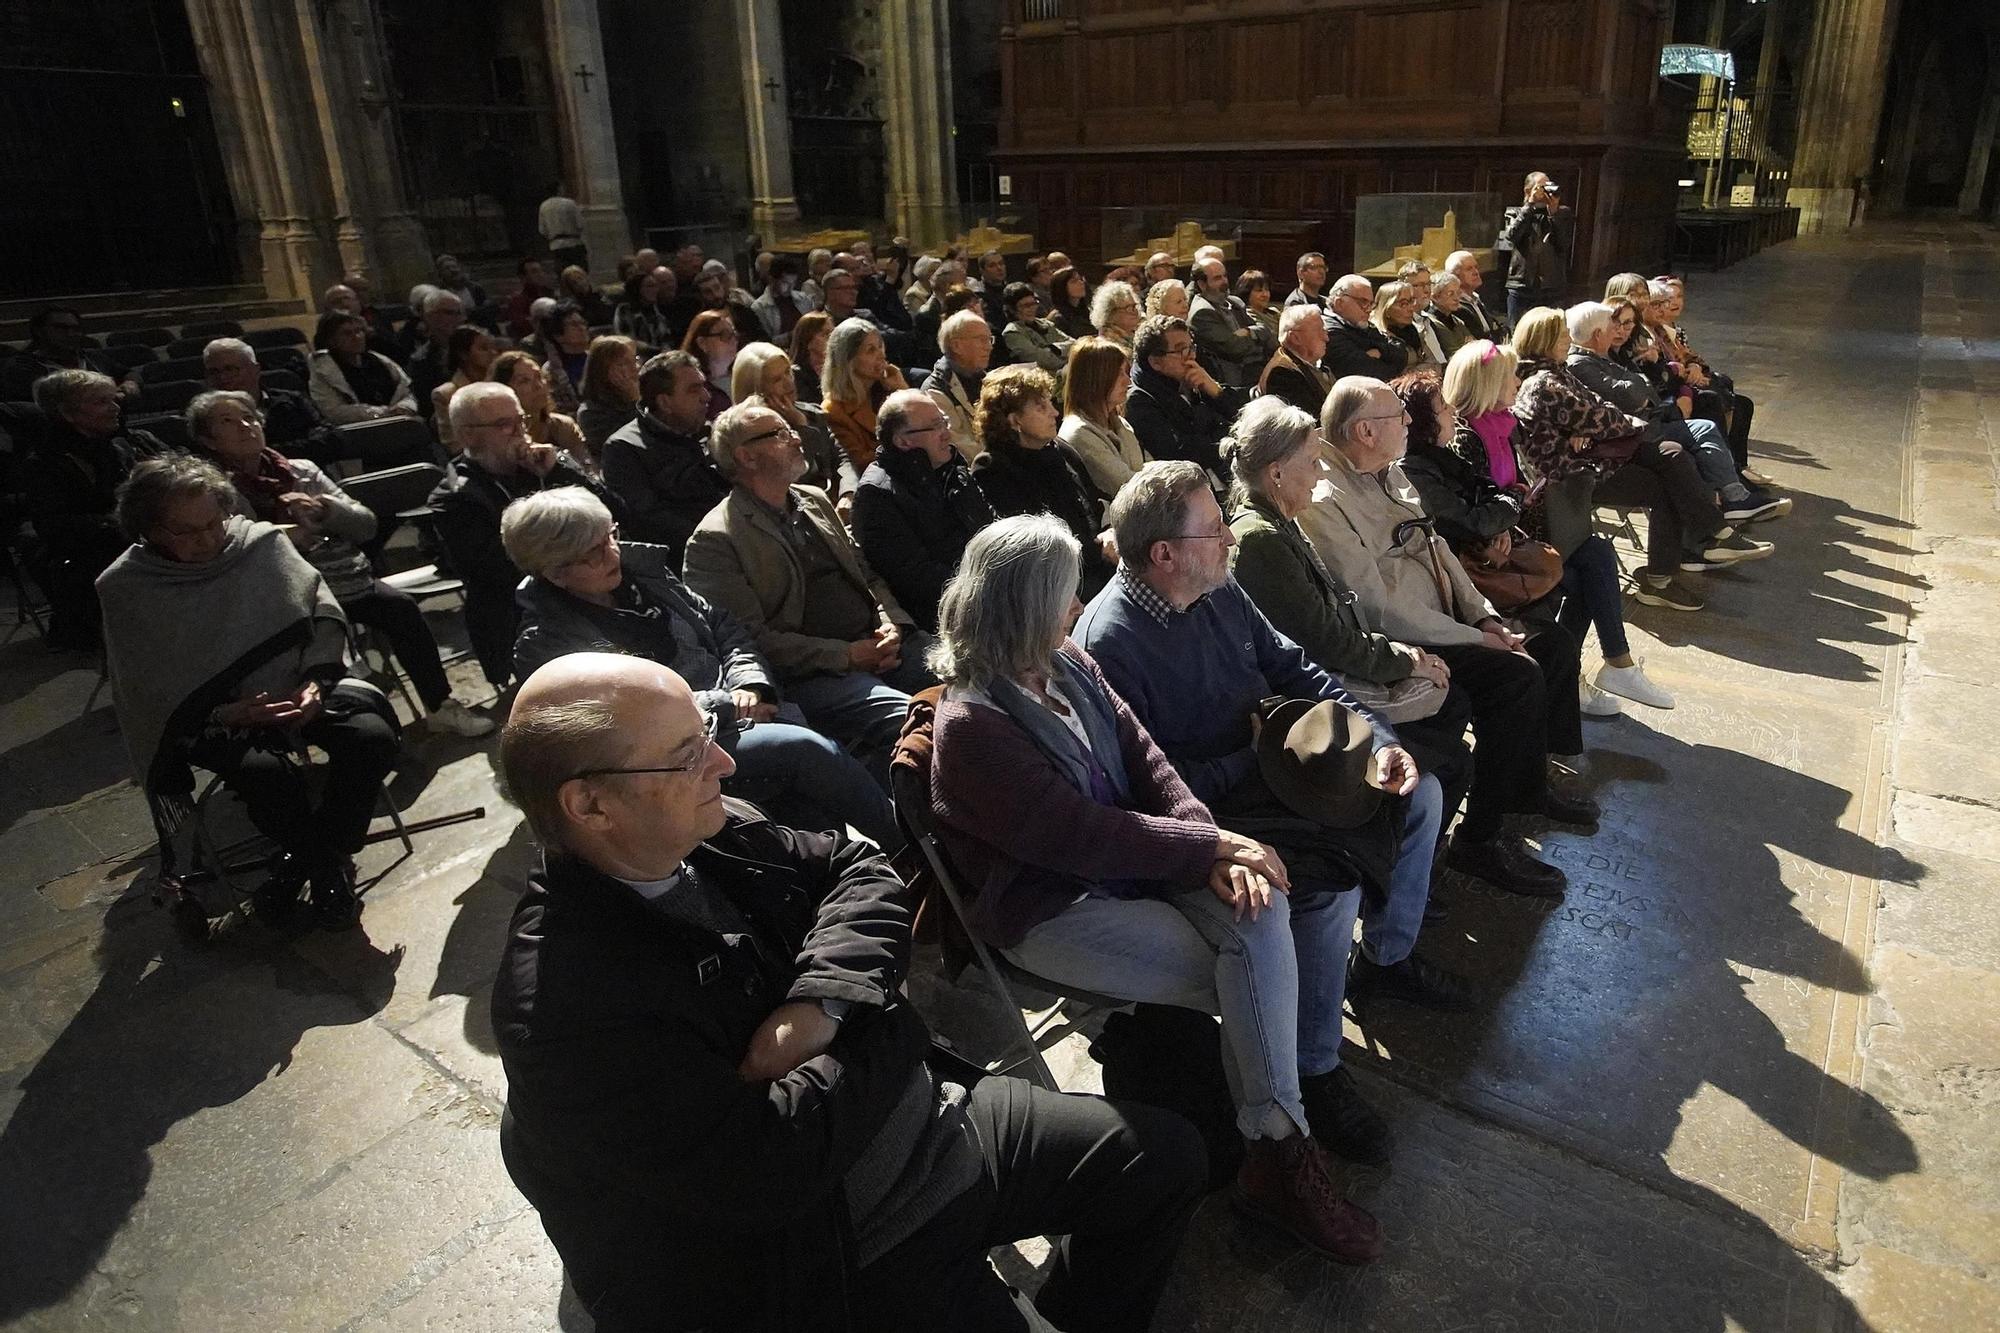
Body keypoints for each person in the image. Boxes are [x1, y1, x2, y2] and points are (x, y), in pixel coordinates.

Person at [491, 650, 1205, 1331]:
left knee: (1169, 1156)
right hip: (834, 1250)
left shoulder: (704, 831)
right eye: (685, 754)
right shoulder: (563, 1005)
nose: (725, 761)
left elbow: (857, 867)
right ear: (588, 803)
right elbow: (772, 1168)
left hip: (927, 1122)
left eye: (705, 732)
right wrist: (885, 1020)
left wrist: (822, 1003)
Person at [928, 514, 1387, 1265]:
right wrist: (1209, 844)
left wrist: (1211, 849)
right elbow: (1079, 835)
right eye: (1064, 595)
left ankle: (1272, 1150)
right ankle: (1283, 1151)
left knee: (1257, 906)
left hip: (1138, 861)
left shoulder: (1065, 661)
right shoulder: (973, 726)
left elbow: (1149, 762)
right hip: (1056, 905)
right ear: (1022, 606)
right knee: (1251, 974)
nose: (1077, 607)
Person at [1074, 461, 1445, 1164]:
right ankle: (1314, 1063)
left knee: (1419, 794)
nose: (1229, 540)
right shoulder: (1111, 643)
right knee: (1325, 889)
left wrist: (1377, 735)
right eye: (1214, 529)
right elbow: (1147, 787)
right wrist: (1256, 756)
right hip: (1218, 808)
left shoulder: (1215, 587)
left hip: (1276, 764)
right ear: (1164, 554)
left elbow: (1296, 668)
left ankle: (1386, 957)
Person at [1304, 376, 1594, 895]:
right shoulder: (1325, 498)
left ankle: (1530, 784)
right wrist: (1469, 637)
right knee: (1517, 677)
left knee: (1552, 644)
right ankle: (1478, 841)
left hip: (1449, 620)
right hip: (1406, 640)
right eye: (1400, 416)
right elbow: (1375, 605)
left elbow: (1437, 551)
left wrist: (1484, 618)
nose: (1410, 422)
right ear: (1366, 430)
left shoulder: (1387, 472)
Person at [500, 490, 900, 849]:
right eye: (593, 553)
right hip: (679, 754)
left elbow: (724, 627)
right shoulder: (549, 643)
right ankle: (912, 850)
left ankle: (854, 876)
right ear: (554, 572)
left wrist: (751, 683)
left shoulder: (646, 577)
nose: (613, 554)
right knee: (807, 751)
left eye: (611, 536)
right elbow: (627, 719)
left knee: (814, 793)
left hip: (748, 707)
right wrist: (728, 704)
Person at [99, 455, 401, 928]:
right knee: (268, 779)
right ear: (150, 529)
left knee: (372, 738)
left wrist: (316, 684)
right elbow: (145, 684)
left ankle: (303, 864)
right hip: (212, 715)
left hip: (299, 684)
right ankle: (326, 870)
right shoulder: (126, 586)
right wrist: (225, 713)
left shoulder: (260, 544)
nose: (207, 540)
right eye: (185, 531)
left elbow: (322, 613)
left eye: (213, 522)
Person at [1222, 396, 1473, 831]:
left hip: (1332, 666)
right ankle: (1396, 832)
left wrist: (1399, 654)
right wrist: (1403, 659)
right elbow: (1322, 642)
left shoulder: (1281, 521)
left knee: (1451, 705)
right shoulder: (1261, 540)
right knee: (1452, 746)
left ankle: (1409, 829)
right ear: (1276, 472)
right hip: (1307, 697)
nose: (1322, 473)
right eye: (1313, 461)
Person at [190, 390, 493, 737]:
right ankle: (349, 723)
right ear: (207, 440)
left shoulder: (301, 470)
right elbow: (228, 556)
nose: (246, 425)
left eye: (249, 416)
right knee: (320, 643)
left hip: (343, 579)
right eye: (228, 421)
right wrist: (282, 540)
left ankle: (439, 706)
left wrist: (327, 510)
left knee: (401, 609)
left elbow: (366, 525)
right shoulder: (215, 494)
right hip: (281, 600)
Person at [683, 401, 935, 789]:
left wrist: (891, 622)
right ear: (746, 456)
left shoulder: (812, 499)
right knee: (914, 717)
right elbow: (750, 639)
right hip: (815, 675)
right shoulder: (717, 539)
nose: (797, 438)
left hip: (879, 646)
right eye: (780, 433)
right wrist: (846, 656)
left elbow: (865, 571)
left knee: (974, 677)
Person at [1402, 363, 1673, 715]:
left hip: (1508, 531)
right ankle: (1587, 672)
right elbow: (1474, 515)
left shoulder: (1505, 425)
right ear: (1489, 383)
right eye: (1509, 375)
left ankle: (1608, 666)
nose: (1518, 381)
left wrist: (1507, 507)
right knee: (1581, 575)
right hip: (1482, 554)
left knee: (1597, 554)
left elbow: (1499, 488)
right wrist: (1505, 511)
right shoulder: (1465, 439)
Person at [1510, 309, 1767, 602]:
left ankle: (1696, 547)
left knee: (1672, 456)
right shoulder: (1544, 383)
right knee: (1670, 472)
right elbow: (1603, 418)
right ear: (1544, 341)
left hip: (1594, 458)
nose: (1569, 340)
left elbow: (1602, 407)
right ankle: (1697, 544)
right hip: (1574, 476)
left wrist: (1597, 426)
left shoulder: (1559, 372)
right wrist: (1611, 424)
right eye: (1562, 336)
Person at [430, 382, 614, 687]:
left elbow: (612, 513)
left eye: (521, 420)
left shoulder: (543, 466)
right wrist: (570, 553)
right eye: (504, 425)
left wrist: (560, 472)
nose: (520, 432)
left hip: (588, 588)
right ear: (467, 435)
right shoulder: (454, 497)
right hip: (523, 615)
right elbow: (496, 570)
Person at [1563, 301, 1782, 525]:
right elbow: (1632, 394)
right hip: (1628, 436)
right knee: (1683, 454)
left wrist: (1643, 383)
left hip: (1647, 420)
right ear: (1598, 334)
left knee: (1707, 423)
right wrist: (1641, 382)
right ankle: (1713, 522)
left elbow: (1646, 387)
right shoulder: (1581, 364)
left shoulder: (1600, 356)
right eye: (1612, 326)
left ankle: (1734, 498)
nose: (1617, 332)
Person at [21, 370, 161, 649]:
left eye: (114, 399)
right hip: (96, 550)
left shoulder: (126, 442)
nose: (115, 408)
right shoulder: (45, 463)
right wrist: (128, 523)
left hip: (141, 534)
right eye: (100, 402)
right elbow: (55, 526)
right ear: (68, 413)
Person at [851, 389, 996, 633]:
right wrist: (990, 586)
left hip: (987, 593)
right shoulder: (877, 495)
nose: (946, 433)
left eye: (944, 422)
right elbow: (918, 580)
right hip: (946, 620)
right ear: (903, 441)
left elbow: (988, 524)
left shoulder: (950, 467)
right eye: (936, 426)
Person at [971, 365, 1111, 601]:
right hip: (1056, 582)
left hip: (1098, 559)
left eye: (1050, 403)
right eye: (1041, 406)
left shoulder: (1060, 449)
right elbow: (1035, 542)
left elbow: (1094, 500)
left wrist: (1110, 532)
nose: (1054, 413)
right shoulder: (993, 468)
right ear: (1015, 420)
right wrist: (1100, 550)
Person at [598, 350, 728, 563]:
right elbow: (648, 520)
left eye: (703, 386)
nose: (706, 397)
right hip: (690, 558)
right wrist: (720, 534)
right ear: (665, 402)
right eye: (693, 390)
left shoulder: (708, 432)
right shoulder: (625, 449)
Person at [1123, 314, 1249, 484]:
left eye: (1191, 348)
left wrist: (1217, 392)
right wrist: (1229, 440)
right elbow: (1181, 452)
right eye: (1181, 350)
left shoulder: (1192, 378)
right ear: (1155, 362)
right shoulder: (1139, 401)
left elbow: (1244, 417)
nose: (1191, 356)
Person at [201, 337, 358, 470]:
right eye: (214, 372)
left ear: (256, 369)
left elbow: (331, 441)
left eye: (231, 369)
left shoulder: (293, 402)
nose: (223, 378)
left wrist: (261, 453)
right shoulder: (202, 416)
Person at [729, 344, 852, 501]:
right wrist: (801, 427)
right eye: (776, 380)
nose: (789, 383)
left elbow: (841, 457)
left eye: (788, 372)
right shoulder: (747, 436)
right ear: (755, 391)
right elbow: (793, 478)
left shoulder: (812, 412)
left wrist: (847, 493)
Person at [1058, 336, 1150, 503]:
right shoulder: (1078, 433)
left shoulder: (1121, 423)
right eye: (1118, 374)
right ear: (1096, 379)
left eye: (1126, 372)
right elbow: (1125, 485)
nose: (1128, 381)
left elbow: (1145, 467)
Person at [820, 317, 909, 473]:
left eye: (880, 347)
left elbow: (924, 423)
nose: (881, 355)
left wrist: (901, 389)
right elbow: (861, 463)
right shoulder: (834, 411)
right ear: (849, 360)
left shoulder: (889, 391)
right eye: (870, 350)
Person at [309, 312, 418, 424]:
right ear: (331, 340)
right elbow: (333, 411)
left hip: (399, 422)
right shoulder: (322, 369)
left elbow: (406, 390)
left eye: (359, 331)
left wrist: (404, 407)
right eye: (347, 333)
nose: (357, 337)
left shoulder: (379, 360)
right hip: (358, 431)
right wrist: (383, 413)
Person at [3, 307, 126, 403]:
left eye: (75, 329)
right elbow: (62, 398)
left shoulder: (90, 357)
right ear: (39, 331)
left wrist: (130, 384)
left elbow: (127, 373)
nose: (71, 334)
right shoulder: (22, 366)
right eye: (61, 328)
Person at [1498, 172, 1574, 325]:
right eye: (1541, 187)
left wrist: (1553, 214)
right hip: (1522, 286)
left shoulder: (1562, 213)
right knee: (1518, 331)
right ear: (1528, 190)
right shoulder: (1515, 212)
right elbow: (1511, 237)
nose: (1546, 191)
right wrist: (1529, 206)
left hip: (1552, 287)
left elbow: (1564, 244)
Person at [1187, 258, 1273, 389]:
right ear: (1202, 284)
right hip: (1239, 379)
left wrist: (1249, 332)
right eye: (1217, 278)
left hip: (1260, 367)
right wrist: (1257, 336)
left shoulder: (1235, 302)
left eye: (1225, 276)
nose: (1225, 282)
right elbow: (1235, 348)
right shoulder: (1202, 313)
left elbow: (1265, 330)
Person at [490, 349, 587, 463]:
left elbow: (586, 469)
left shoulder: (563, 427)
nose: (538, 385)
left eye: (539, 376)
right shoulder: (499, 436)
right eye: (524, 381)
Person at [921, 309, 992, 463]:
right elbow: (957, 445)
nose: (989, 347)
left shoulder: (988, 380)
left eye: (989, 339)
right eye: (981, 340)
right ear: (956, 346)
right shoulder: (935, 391)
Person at [1321, 274, 1408, 380]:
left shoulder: (1361, 324)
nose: (1368, 309)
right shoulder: (1328, 331)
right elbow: (1366, 371)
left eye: (1370, 303)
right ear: (1339, 303)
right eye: (1363, 302)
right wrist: (1387, 355)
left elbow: (1402, 351)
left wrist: (1380, 351)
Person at [431, 325, 501, 455]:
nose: (493, 353)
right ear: (463, 354)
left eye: (493, 347)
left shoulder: (502, 386)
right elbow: (454, 446)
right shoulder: (446, 395)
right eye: (484, 348)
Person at [1257, 305, 1333, 419]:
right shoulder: (1282, 374)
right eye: (1319, 331)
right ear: (1295, 338)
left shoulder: (1312, 363)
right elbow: (1308, 422)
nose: (1326, 338)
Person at [575, 335, 641, 461]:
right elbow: (629, 446)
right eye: (624, 363)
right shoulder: (591, 413)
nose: (635, 368)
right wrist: (635, 403)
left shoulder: (648, 396)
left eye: (635, 360)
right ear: (603, 371)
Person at [403, 289, 469, 416]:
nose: (460, 319)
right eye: (450, 313)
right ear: (430, 317)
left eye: (460, 313)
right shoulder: (420, 361)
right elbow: (427, 407)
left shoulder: (475, 349)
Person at [1000, 282, 1074, 376]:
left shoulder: (1045, 324)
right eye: (1026, 306)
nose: (1032, 309)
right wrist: (1068, 359)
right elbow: (1043, 360)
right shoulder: (1013, 332)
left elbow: (1074, 344)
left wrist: (1055, 349)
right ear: (1012, 309)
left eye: (1033, 303)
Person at [680, 310, 739, 422]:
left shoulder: (743, 376)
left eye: (734, 334)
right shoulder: (693, 388)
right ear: (702, 343)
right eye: (725, 335)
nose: (734, 341)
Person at [1370, 281, 1444, 369]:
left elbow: (1434, 363)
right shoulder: (1376, 336)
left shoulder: (1414, 331)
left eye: (1412, 301)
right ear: (1386, 309)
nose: (1411, 308)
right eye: (1403, 304)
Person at [539, 301, 592, 416]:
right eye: (574, 325)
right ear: (558, 335)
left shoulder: (598, 358)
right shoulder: (551, 370)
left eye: (582, 323)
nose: (582, 328)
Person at [1445, 250, 1505, 340]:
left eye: (1476, 267)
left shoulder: (1475, 298)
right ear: (1455, 276)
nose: (1476, 272)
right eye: (1469, 269)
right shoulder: (1455, 306)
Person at [751, 255, 814, 341]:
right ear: (772, 279)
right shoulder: (759, 307)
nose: (790, 288)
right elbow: (765, 341)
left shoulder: (803, 299)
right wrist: (790, 336)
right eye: (785, 283)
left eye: (793, 283)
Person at [612, 266, 674, 348]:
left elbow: (666, 338)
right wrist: (654, 351)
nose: (654, 290)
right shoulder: (625, 310)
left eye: (655, 286)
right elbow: (627, 340)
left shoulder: (658, 312)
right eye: (649, 286)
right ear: (637, 289)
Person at [537, 184, 587, 274]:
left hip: (556, 246)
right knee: (580, 272)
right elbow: (580, 224)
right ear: (559, 190)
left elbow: (542, 230)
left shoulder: (543, 206)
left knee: (563, 274)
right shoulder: (570, 203)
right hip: (573, 243)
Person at [503, 259, 558, 339]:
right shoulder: (517, 301)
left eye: (541, 270)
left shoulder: (551, 294)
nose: (540, 274)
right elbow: (522, 326)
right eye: (534, 271)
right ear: (523, 277)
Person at [788, 309, 833, 405]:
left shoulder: (840, 368)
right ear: (807, 341)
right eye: (826, 334)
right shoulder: (796, 375)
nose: (832, 338)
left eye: (833, 333)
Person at [1088, 279, 1142, 354]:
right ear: (1110, 314)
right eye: (1129, 308)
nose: (1136, 312)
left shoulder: (1133, 338)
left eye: (1135, 306)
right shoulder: (1106, 348)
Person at [1425, 274, 1471, 359]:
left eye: (1458, 293)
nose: (1457, 298)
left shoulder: (1457, 321)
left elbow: (1474, 346)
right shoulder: (1429, 323)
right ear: (1435, 297)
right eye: (1451, 294)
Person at [1045, 266, 1093, 339]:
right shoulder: (1057, 318)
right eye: (1074, 281)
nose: (1081, 283)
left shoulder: (1087, 310)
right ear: (1061, 287)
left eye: (1080, 279)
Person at [558, 264, 612, 328]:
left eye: (580, 278)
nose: (580, 283)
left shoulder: (601, 296)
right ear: (570, 287)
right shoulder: (571, 306)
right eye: (574, 282)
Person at [1237, 270, 1279, 343]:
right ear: (1247, 293)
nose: (1265, 294)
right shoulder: (1247, 316)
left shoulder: (1274, 312)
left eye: (1267, 290)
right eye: (1259, 290)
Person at [975, 249, 1010, 329]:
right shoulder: (979, 294)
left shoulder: (1011, 290)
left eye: (1001, 263)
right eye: (992, 265)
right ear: (982, 271)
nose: (999, 268)